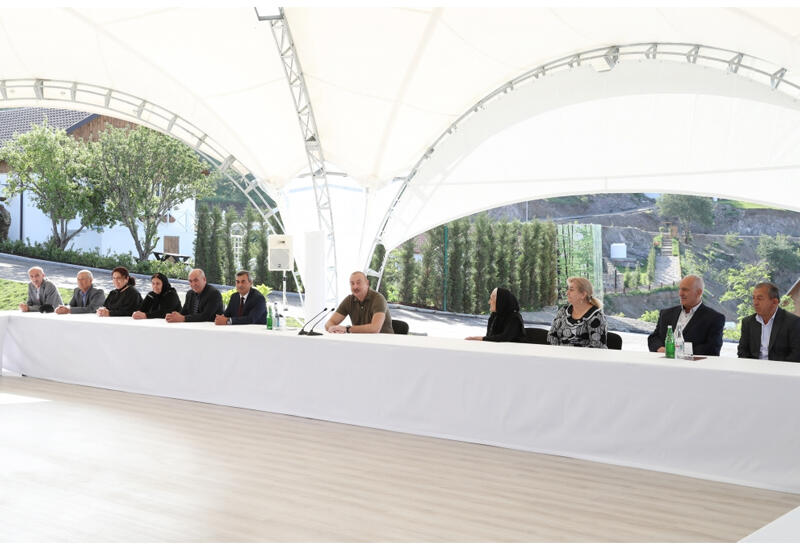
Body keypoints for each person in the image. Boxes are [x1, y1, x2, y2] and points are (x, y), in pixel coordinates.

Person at [647, 275, 725, 356]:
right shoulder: (666, 314)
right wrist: (660, 349)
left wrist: (678, 351)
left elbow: (712, 349)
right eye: (680, 289)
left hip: (693, 363)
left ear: (699, 292)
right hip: (663, 362)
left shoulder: (714, 319)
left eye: (685, 290)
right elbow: (654, 338)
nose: (680, 293)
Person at [737, 282, 800, 362]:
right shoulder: (748, 322)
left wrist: (776, 368)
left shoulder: (793, 322)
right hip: (753, 367)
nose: (755, 303)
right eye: (754, 298)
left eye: (759, 299)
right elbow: (742, 351)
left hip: (780, 368)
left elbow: (796, 354)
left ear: (774, 302)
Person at [325, 271, 394, 334]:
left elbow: (375, 328)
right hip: (361, 340)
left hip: (384, 341)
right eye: (352, 283)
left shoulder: (378, 298)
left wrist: (347, 329)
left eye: (358, 283)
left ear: (367, 283)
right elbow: (329, 323)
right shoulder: (349, 300)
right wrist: (334, 329)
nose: (355, 287)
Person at [548, 277, 607, 348]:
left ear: (583, 294)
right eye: (568, 289)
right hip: (560, 353)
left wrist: (571, 354)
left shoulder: (597, 316)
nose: (567, 293)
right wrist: (558, 351)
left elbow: (597, 346)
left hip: (584, 355)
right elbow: (551, 335)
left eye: (571, 290)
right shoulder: (563, 310)